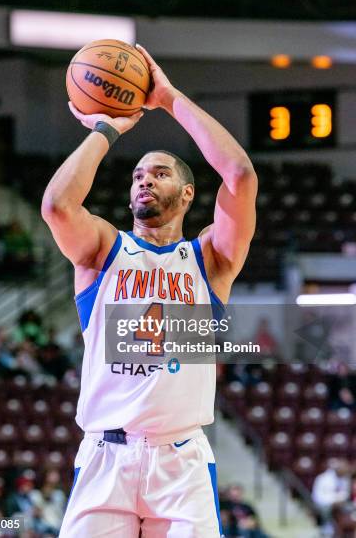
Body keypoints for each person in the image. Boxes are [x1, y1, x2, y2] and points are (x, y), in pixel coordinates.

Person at [42, 44, 257, 537]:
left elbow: (240, 176)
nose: (144, 181)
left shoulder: (210, 260)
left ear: (186, 195)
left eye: (159, 173)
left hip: (180, 462)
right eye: (138, 175)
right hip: (105, 456)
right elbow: (57, 206)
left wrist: (168, 98)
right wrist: (106, 129)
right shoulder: (103, 249)